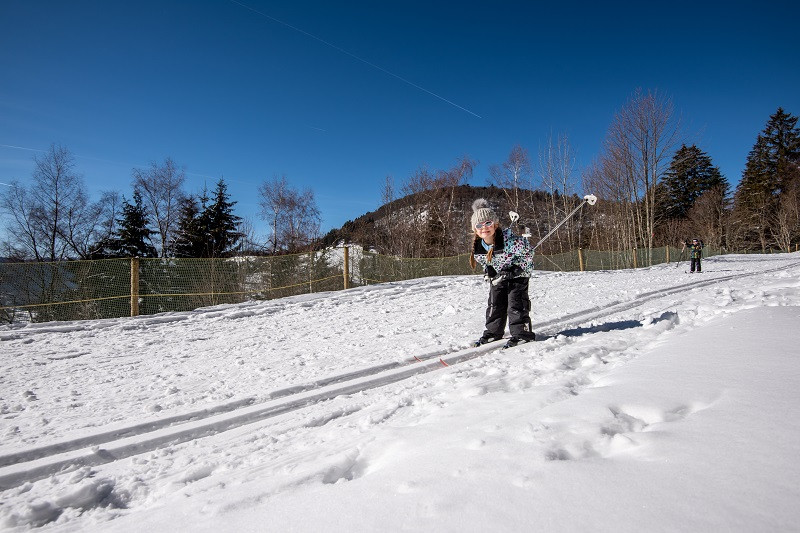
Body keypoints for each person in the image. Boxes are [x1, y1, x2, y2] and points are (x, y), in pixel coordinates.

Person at [469, 198, 536, 349]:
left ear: (495, 224)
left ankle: (522, 334)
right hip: (499, 277)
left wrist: (514, 270)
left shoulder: (510, 241)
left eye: (488, 223)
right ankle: (494, 332)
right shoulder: (478, 246)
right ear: (475, 229)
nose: (484, 228)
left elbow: (528, 254)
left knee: (515, 304)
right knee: (495, 303)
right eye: (479, 225)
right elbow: (485, 261)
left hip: (518, 276)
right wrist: (489, 271)